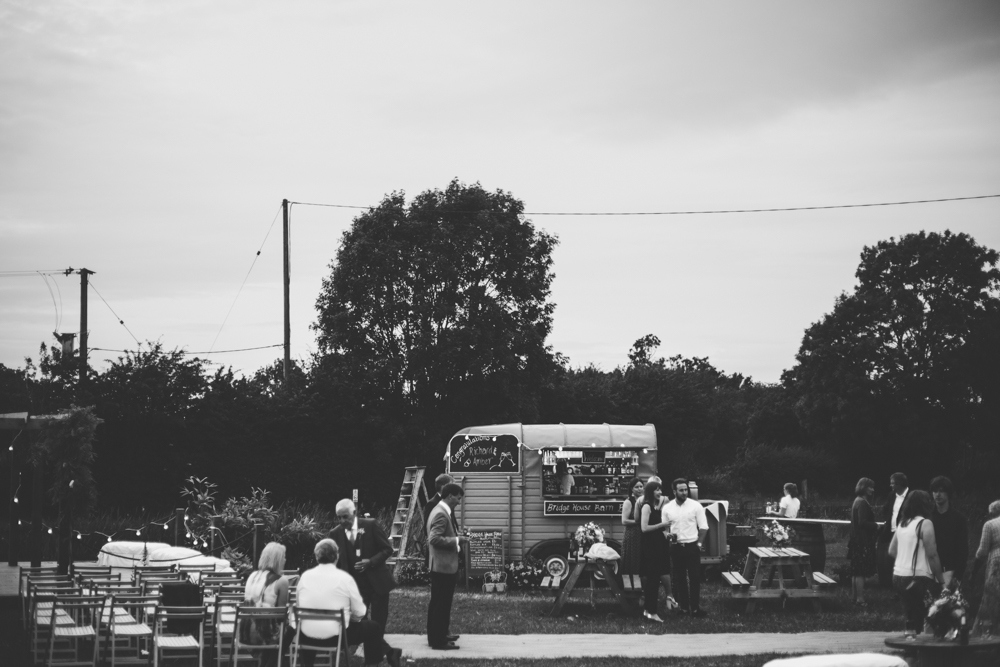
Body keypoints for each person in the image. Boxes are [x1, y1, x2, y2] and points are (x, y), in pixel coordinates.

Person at [294, 539, 401, 667]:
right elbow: (360, 612)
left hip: (307, 636)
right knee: (373, 628)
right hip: (336, 636)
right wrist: (349, 618)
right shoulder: (344, 578)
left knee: (309, 625)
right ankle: (373, 663)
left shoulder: (305, 577)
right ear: (336, 556)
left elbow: (298, 604)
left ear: (317, 556)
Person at [330, 499, 396, 631]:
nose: (342, 521)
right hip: (355, 587)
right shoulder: (335, 533)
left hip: (378, 582)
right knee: (360, 624)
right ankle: (383, 649)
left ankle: (376, 650)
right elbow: (335, 561)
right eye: (339, 517)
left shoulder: (370, 525)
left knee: (379, 621)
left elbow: (387, 549)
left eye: (345, 517)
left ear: (354, 513)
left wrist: (371, 561)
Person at [889, 490, 944, 637]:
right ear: (926, 505)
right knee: (934, 614)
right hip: (918, 578)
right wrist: (941, 579)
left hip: (898, 576)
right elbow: (932, 555)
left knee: (910, 615)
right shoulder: (925, 524)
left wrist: (904, 560)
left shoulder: (902, 524)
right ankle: (931, 650)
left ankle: (910, 648)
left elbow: (892, 550)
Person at [426, 482, 467, 650]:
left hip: (440, 566)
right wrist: (458, 540)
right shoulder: (441, 514)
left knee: (437, 603)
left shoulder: (438, 510)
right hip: (443, 567)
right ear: (450, 496)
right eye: (458, 498)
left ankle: (437, 636)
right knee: (441, 605)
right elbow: (434, 539)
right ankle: (438, 641)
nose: (459, 501)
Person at [664, 478, 708, 617]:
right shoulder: (667, 508)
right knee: (680, 578)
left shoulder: (696, 506)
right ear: (674, 491)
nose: (684, 492)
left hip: (692, 546)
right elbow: (663, 528)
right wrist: (667, 535)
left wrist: (699, 544)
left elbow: (704, 527)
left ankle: (695, 609)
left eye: (685, 490)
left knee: (695, 578)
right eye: (681, 490)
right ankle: (683, 608)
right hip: (676, 547)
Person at [242, 542, 291, 667]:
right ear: (278, 559)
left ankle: (267, 663)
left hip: (245, 632)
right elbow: (281, 616)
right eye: (283, 556)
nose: (285, 559)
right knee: (291, 629)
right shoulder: (281, 581)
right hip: (264, 635)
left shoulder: (252, 576)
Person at [639, 480, 674, 622]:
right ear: (651, 492)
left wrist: (666, 533)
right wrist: (662, 525)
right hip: (650, 548)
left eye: (660, 490)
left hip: (656, 545)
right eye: (657, 490)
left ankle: (648, 610)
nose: (660, 493)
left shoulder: (654, 506)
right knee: (653, 580)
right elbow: (644, 528)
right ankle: (653, 613)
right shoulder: (646, 506)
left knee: (653, 580)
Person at [928, 476, 969, 590]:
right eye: (935, 491)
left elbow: (963, 549)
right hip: (928, 571)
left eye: (941, 491)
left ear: (948, 493)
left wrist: (957, 575)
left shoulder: (959, 519)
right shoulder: (927, 517)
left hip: (950, 569)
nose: (937, 494)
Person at [971, 500, 1000, 637]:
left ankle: (986, 635)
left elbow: (982, 551)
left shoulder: (990, 524)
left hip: (997, 566)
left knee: (991, 602)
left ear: (993, 512)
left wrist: (973, 571)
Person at [848, 477, 879, 606]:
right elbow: (862, 522)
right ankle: (860, 599)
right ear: (864, 488)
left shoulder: (857, 501)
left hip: (855, 540)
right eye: (870, 487)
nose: (872, 490)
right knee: (860, 572)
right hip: (862, 541)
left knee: (856, 571)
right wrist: (876, 525)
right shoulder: (862, 503)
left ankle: (854, 598)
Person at [878, 472, 911, 588]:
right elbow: (885, 509)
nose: (891, 486)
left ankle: (903, 585)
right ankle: (890, 584)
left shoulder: (911, 496)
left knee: (903, 559)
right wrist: (887, 521)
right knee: (890, 558)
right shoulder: (892, 495)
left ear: (900, 484)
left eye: (893, 483)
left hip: (905, 533)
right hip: (891, 532)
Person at [620, 477, 644, 575]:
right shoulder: (629, 501)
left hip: (643, 534)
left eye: (641, 486)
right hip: (632, 535)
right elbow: (624, 521)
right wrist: (640, 522)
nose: (639, 489)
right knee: (632, 559)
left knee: (641, 559)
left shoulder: (645, 501)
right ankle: (630, 584)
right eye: (637, 487)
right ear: (632, 489)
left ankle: (641, 585)